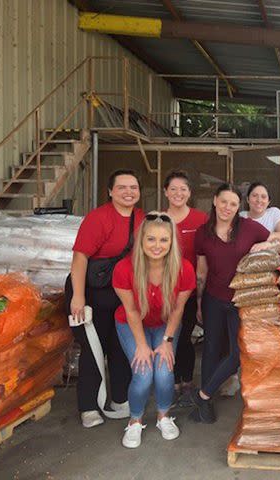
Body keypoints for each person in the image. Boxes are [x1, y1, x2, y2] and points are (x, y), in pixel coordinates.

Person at [69, 169, 144, 428]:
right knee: (94, 348)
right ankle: (88, 406)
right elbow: (80, 258)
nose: (128, 192)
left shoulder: (141, 218)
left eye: (133, 187)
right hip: (91, 291)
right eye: (122, 187)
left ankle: (120, 399)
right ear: (110, 191)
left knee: (120, 347)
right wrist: (78, 297)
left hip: (121, 293)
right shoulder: (98, 218)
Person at [113, 212, 195, 448]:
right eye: (151, 239)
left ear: (172, 243)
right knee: (143, 372)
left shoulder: (184, 269)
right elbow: (131, 311)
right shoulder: (124, 268)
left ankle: (163, 416)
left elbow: (178, 309)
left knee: (163, 370)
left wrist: (167, 341)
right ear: (141, 240)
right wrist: (141, 345)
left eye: (163, 240)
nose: (157, 246)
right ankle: (135, 421)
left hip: (165, 324)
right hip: (131, 323)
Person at [192, 183, 273, 423]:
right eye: (224, 201)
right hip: (213, 298)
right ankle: (205, 403)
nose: (228, 207)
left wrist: (267, 244)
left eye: (234, 204)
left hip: (241, 300)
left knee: (239, 353)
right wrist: (198, 302)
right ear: (215, 200)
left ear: (240, 207)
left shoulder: (249, 228)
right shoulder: (202, 233)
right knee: (211, 349)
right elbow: (202, 270)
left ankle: (203, 394)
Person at [163, 171, 208, 406]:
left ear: (190, 193)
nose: (178, 193)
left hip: (189, 290)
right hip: (162, 290)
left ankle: (186, 382)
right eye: (173, 189)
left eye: (183, 189)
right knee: (168, 336)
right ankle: (170, 383)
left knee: (184, 334)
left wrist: (200, 295)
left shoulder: (200, 219)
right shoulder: (158, 219)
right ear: (165, 192)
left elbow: (204, 257)